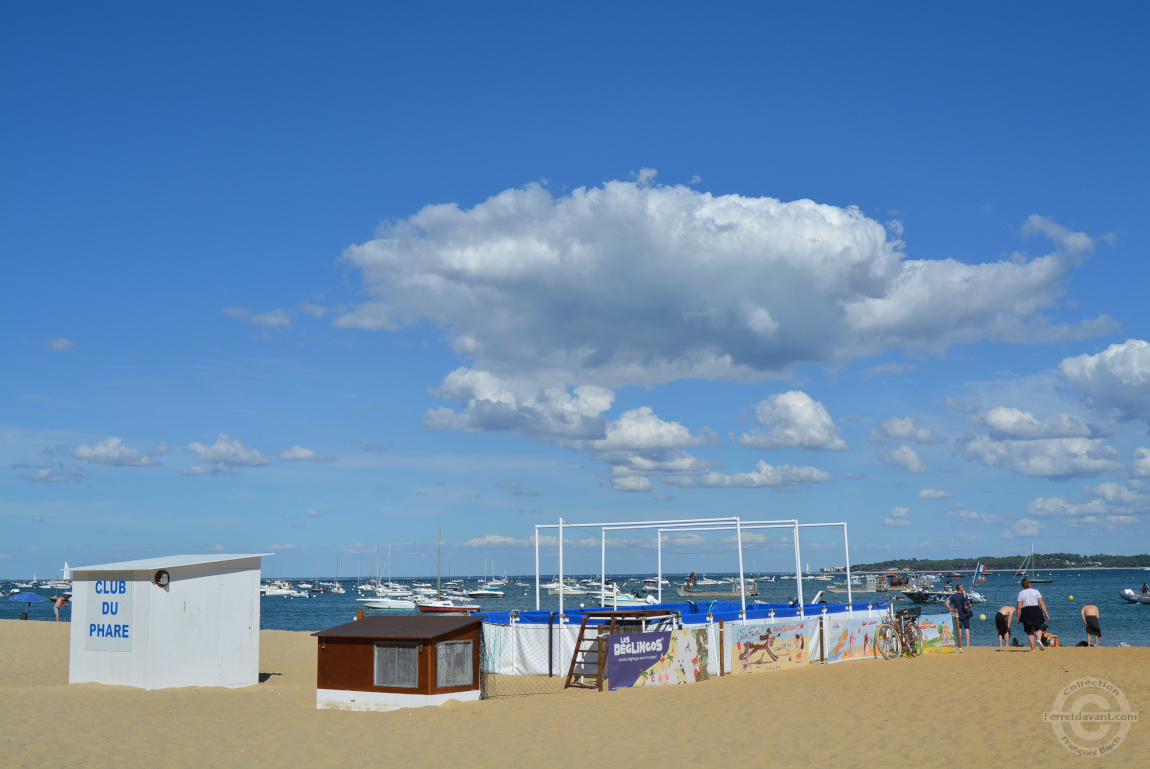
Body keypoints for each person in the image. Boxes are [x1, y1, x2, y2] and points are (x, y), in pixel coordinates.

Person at [1016, 578, 1049, 651]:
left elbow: (1019, 607)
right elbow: (1041, 603)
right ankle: (1039, 640)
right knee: (1038, 627)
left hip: (1026, 611)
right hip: (1036, 609)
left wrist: (1018, 616)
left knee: (1029, 631)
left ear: (1023, 585)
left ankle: (1033, 649)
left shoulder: (1021, 593)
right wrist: (1046, 613)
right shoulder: (1036, 591)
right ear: (1030, 584)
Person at [947, 583, 973, 651]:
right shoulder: (964, 596)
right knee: (967, 628)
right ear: (960, 589)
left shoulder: (954, 596)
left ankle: (959, 643)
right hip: (965, 614)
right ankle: (967, 644)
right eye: (963, 587)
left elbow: (946, 603)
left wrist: (952, 610)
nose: (964, 588)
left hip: (957, 614)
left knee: (959, 629)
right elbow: (969, 605)